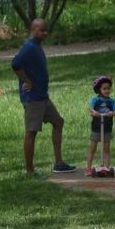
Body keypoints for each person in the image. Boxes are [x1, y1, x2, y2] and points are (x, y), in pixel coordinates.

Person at [11, 19, 75, 177]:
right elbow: (15, 64)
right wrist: (26, 80)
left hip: (42, 97)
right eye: (42, 30)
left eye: (46, 30)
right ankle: (29, 171)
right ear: (33, 30)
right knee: (31, 132)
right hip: (33, 99)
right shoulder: (29, 47)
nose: (45, 33)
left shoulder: (37, 47)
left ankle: (59, 163)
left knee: (58, 122)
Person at [86, 75, 115, 177]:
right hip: (96, 127)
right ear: (99, 90)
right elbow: (91, 109)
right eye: (104, 89)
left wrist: (112, 113)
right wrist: (94, 112)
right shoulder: (95, 100)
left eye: (108, 88)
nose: (107, 91)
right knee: (93, 148)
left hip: (107, 127)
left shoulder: (111, 101)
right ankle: (88, 168)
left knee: (106, 148)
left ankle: (106, 168)